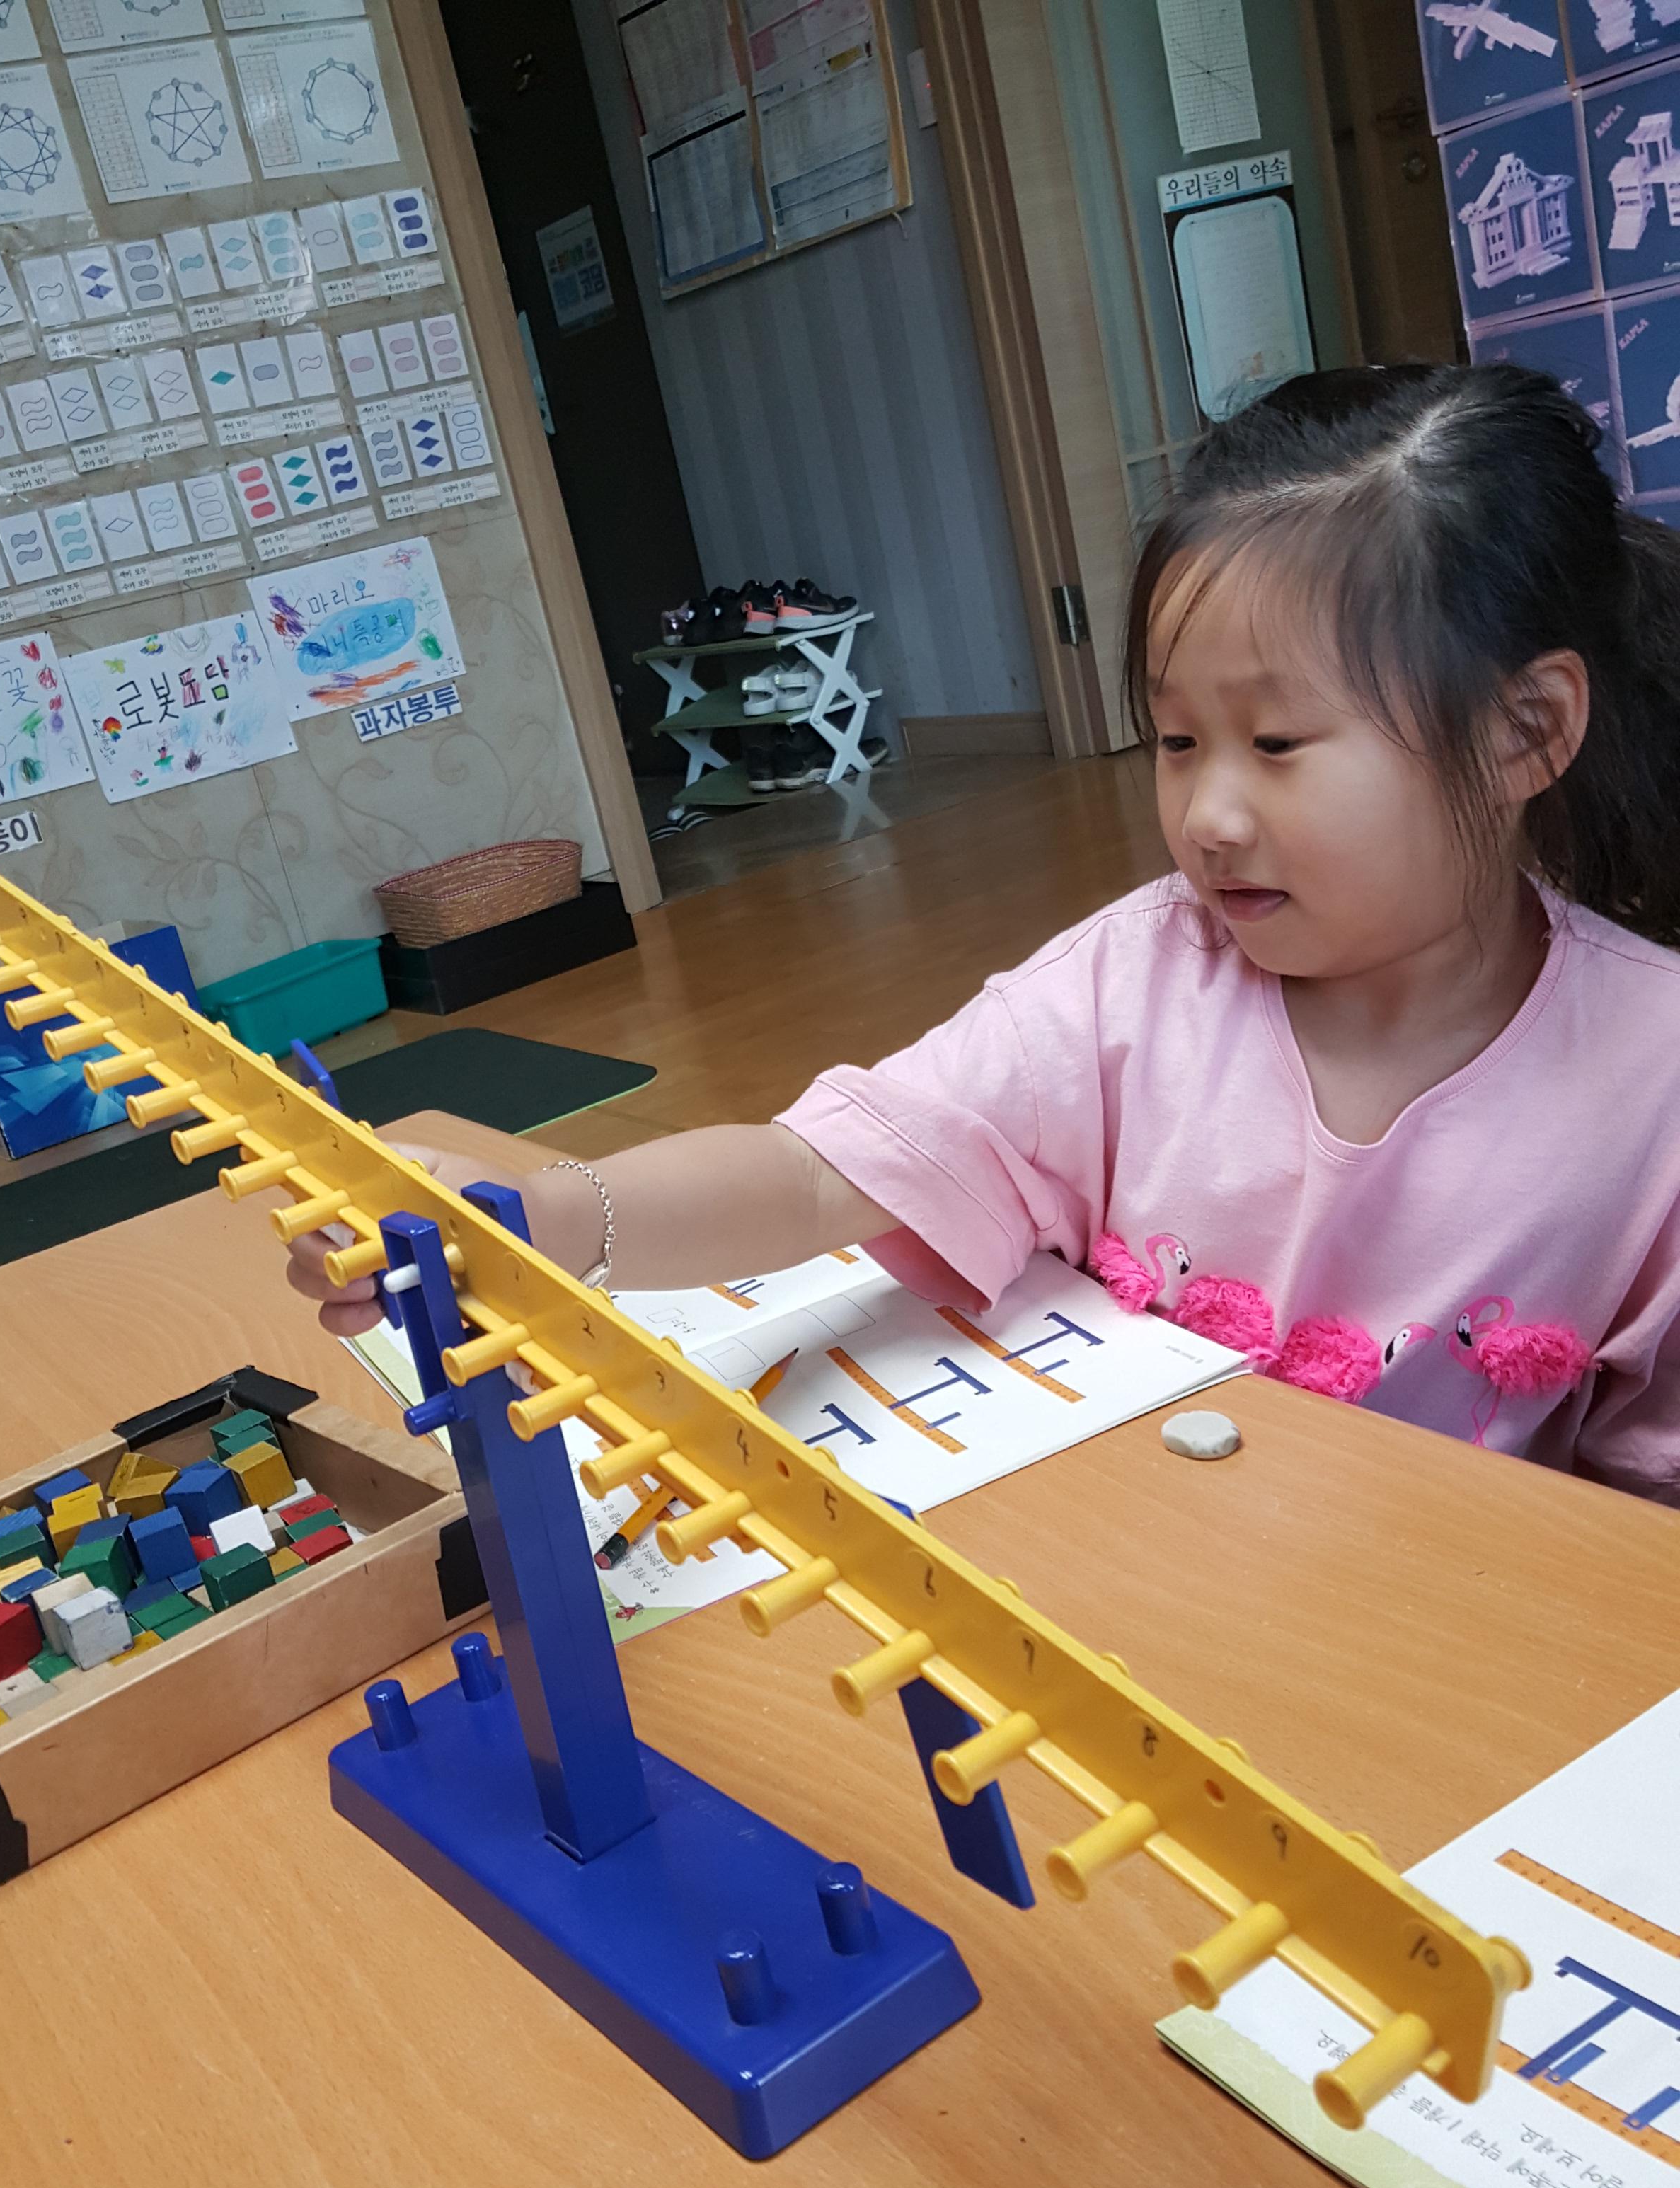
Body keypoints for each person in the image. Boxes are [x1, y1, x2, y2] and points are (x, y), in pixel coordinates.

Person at [290, 364, 1680, 1498]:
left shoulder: (1652, 1083)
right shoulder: (1134, 987)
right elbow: (816, 1178)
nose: (1208, 814)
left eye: (1275, 743)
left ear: (1525, 731)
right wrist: (530, 1219)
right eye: (1177, 740)